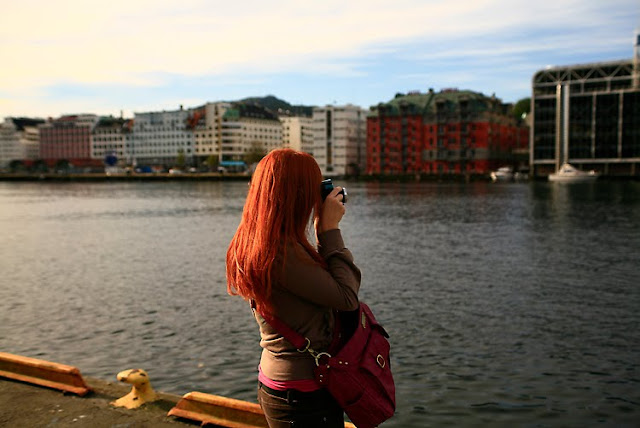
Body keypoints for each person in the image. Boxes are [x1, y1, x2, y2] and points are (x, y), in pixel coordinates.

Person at [226, 149, 361, 427]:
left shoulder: (259, 242)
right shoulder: (281, 254)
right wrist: (329, 230)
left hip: (283, 384)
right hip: (303, 395)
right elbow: (347, 297)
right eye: (313, 188)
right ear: (297, 195)